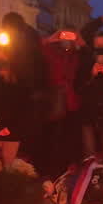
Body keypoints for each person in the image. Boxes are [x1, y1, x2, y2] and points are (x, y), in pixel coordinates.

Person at [39, 26, 83, 174]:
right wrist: (52, 38)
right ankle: (53, 169)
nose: (66, 40)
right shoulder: (53, 53)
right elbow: (40, 46)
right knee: (54, 135)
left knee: (67, 136)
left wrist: (79, 41)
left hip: (70, 101)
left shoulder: (76, 55)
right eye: (64, 37)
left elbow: (88, 54)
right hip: (56, 98)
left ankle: (66, 167)